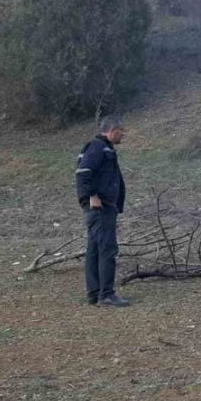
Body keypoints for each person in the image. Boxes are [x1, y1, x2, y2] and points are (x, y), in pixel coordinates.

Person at [75, 115, 130, 307]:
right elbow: (82, 173)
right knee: (107, 248)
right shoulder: (98, 147)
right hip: (100, 207)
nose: (123, 135)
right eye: (121, 131)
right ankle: (106, 294)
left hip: (104, 207)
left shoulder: (102, 147)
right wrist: (92, 196)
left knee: (95, 249)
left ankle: (95, 293)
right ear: (112, 130)